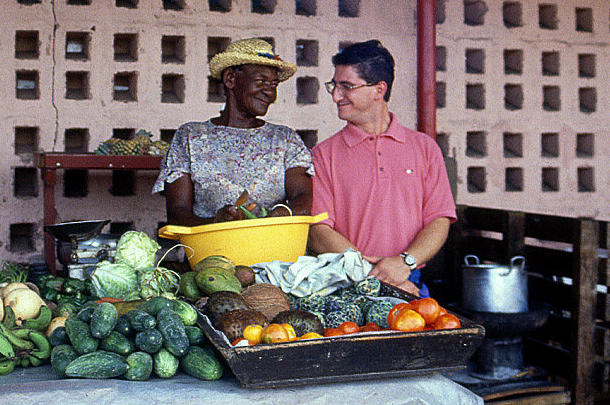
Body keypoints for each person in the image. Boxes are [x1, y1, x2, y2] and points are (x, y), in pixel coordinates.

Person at [308, 40, 456, 296]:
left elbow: (439, 219)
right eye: (334, 86)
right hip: (346, 284)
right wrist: (372, 276)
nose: (335, 96)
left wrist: (404, 263)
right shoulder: (322, 155)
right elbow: (318, 230)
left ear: (379, 89)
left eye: (346, 86)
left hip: (410, 279)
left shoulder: (425, 147)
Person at [153, 38, 313, 227]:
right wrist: (216, 223)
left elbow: (303, 198)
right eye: (261, 81)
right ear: (230, 79)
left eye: (274, 85)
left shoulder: (286, 140)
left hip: (275, 252)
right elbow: (177, 214)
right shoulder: (190, 137)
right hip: (211, 253)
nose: (270, 93)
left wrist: (285, 213)